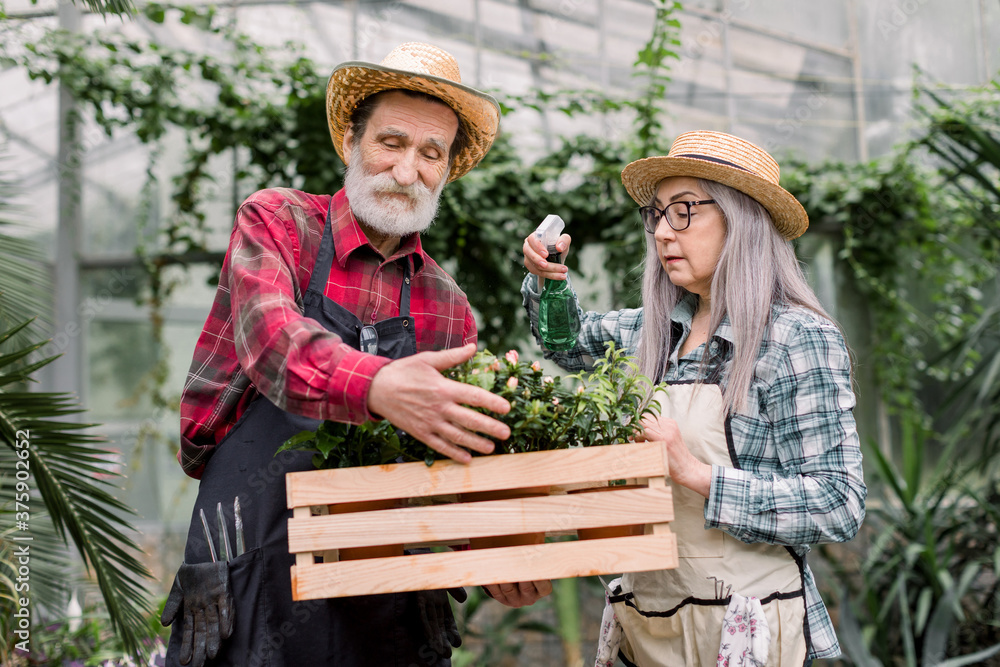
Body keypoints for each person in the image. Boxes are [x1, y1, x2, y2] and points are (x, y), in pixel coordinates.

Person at [161, 42, 548, 667]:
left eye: (431, 154)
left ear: (447, 169)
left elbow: (450, 457)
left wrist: (498, 550)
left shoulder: (445, 302)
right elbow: (272, 342)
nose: (407, 170)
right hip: (252, 554)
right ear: (350, 141)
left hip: (383, 573)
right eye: (391, 142)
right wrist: (379, 387)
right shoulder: (279, 223)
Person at [521, 130, 866, 666]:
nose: (661, 232)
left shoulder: (795, 339)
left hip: (745, 629)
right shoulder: (653, 331)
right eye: (657, 214)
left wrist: (696, 473)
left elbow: (838, 503)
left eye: (683, 211)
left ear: (742, 221)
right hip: (650, 623)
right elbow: (565, 341)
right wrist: (550, 282)